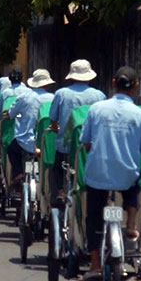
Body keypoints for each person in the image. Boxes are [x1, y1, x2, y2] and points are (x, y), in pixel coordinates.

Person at [79, 66, 141, 281]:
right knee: (133, 185)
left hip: (98, 174)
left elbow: (86, 143)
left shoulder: (96, 109)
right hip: (126, 175)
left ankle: (94, 265)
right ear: (136, 86)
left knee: (93, 216)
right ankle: (130, 225)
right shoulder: (140, 115)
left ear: (113, 83)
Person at [49, 60, 106, 206]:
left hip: (66, 147)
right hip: (91, 148)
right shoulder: (99, 96)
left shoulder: (61, 94)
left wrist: (56, 126)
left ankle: (61, 192)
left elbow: (53, 119)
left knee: (56, 169)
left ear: (72, 76)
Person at [7, 69, 55, 185]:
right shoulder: (53, 98)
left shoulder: (24, 97)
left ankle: (18, 173)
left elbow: (11, 114)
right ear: (48, 84)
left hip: (25, 142)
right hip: (46, 144)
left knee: (11, 149)